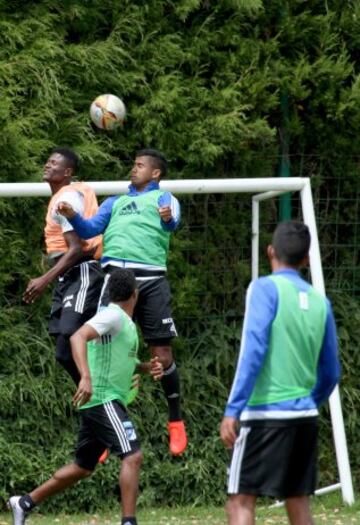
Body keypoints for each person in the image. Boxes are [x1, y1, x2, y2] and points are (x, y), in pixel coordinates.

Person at [57, 148, 187, 456]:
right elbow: (90, 230)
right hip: (116, 281)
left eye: (140, 165)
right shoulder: (115, 202)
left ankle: (176, 420)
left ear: (155, 173)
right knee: (103, 351)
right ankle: (101, 430)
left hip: (152, 280)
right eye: (134, 164)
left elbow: (172, 222)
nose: (134, 169)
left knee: (162, 355)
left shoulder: (164, 199)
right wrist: (73, 216)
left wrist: (168, 218)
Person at [9, 268, 163, 525]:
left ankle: (24, 502)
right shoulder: (112, 316)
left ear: (111, 292)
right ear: (135, 293)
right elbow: (78, 336)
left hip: (102, 401)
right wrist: (86, 378)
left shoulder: (122, 323)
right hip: (103, 399)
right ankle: (129, 522)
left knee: (82, 467)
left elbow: (122, 360)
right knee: (133, 456)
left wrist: (146, 368)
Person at [220, 221, 340, 525]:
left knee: (241, 501)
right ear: (305, 260)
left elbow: (253, 349)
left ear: (270, 251)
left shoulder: (263, 288)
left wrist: (233, 408)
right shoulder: (320, 302)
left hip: (264, 415)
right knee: (298, 502)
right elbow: (331, 372)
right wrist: (305, 401)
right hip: (305, 418)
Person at [23, 147, 104, 385]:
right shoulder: (63, 196)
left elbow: (76, 249)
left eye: (54, 163)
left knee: (70, 334)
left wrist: (43, 280)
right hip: (68, 277)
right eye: (47, 161)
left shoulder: (66, 198)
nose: (47, 165)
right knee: (62, 351)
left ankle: (100, 394)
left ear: (67, 172)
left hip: (83, 273)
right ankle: (95, 396)